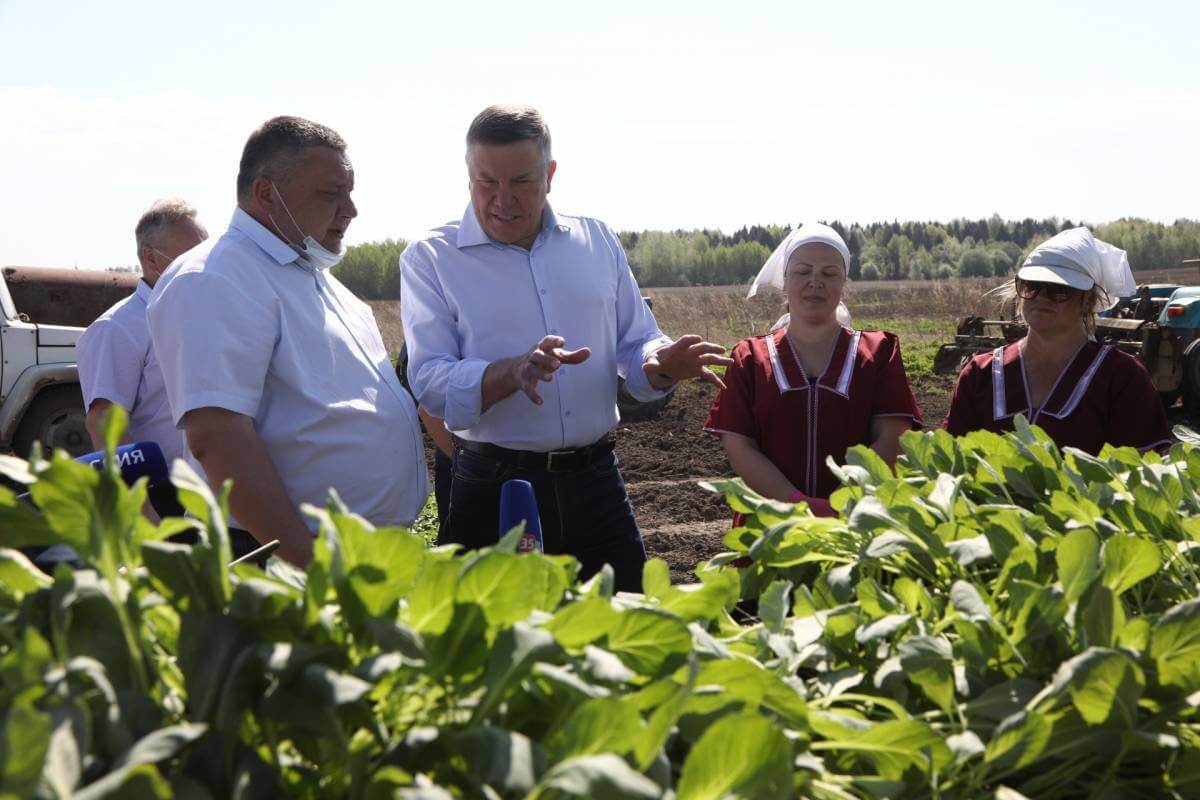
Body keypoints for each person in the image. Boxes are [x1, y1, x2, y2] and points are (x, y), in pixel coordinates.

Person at [400, 104, 731, 592]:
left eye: (522, 182)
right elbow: (430, 382)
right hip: (495, 487)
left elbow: (636, 341)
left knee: (630, 629)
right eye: (486, 182)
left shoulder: (595, 241)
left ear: (550, 175)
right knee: (497, 648)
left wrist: (661, 362)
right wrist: (509, 373)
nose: (502, 199)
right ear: (468, 175)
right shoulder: (431, 258)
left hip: (595, 481)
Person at [148, 116, 429, 567]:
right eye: (329, 193)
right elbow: (217, 437)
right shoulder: (216, 278)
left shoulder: (315, 278)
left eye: (350, 192)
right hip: (284, 560)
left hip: (353, 554)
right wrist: (310, 567)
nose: (350, 209)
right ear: (266, 194)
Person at [704, 224, 922, 516]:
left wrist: (843, 503)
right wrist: (796, 504)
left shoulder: (879, 352)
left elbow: (892, 436)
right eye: (802, 272)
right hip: (770, 523)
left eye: (829, 274)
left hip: (856, 521)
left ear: (844, 282)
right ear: (785, 280)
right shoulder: (749, 358)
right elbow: (739, 445)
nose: (815, 282)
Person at [943, 227, 1172, 453]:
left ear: (1087, 301)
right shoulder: (979, 374)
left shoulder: (1122, 377)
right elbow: (949, 460)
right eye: (1032, 286)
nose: (1042, 297)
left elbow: (1139, 472)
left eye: (1058, 289)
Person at [77, 198, 208, 462]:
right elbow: (106, 424)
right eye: (193, 254)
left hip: (207, 485)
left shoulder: (205, 316)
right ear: (151, 257)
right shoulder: (117, 328)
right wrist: (141, 502)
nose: (203, 265)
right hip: (161, 491)